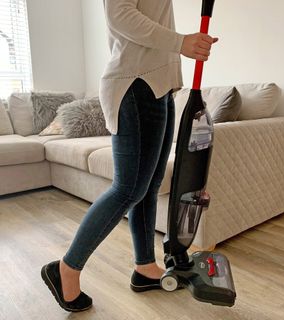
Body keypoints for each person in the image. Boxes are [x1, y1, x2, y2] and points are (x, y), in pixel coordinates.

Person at [41, 0, 218, 312]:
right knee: (128, 188)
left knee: (148, 186)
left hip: (160, 87)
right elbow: (119, 14)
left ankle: (145, 267)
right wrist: (181, 43)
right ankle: (66, 268)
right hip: (136, 86)